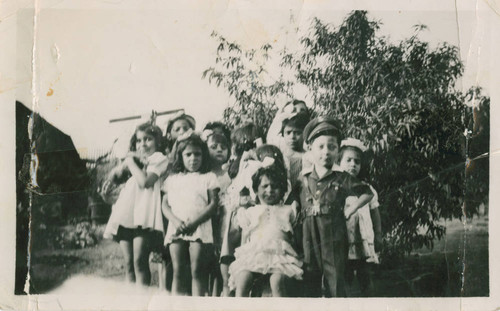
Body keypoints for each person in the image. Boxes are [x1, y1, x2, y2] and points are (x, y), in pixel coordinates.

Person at [298, 117, 374, 297]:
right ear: (310, 148)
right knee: (311, 277)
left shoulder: (342, 178)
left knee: (335, 278)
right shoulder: (303, 179)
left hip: (334, 235)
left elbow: (367, 193)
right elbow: (292, 199)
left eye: (332, 147)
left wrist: (351, 208)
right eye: (321, 146)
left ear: (338, 150)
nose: (326, 152)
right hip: (309, 234)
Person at [103, 122, 168, 286]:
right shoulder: (135, 161)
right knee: (129, 264)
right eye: (139, 141)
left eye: (148, 139)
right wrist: (121, 168)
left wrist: (130, 162)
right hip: (126, 214)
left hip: (144, 216)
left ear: (158, 142)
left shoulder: (158, 159)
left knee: (140, 262)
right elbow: (114, 176)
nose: (143, 144)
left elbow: (145, 182)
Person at [228, 161, 303, 297]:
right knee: (243, 277)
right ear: (256, 190)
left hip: (280, 256)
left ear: (283, 190)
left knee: (277, 281)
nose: (269, 190)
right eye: (265, 186)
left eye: (275, 186)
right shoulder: (250, 212)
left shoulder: (288, 210)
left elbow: (295, 237)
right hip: (254, 254)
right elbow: (245, 238)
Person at [161, 131, 220, 296]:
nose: (193, 158)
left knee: (197, 271)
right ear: (180, 156)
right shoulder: (172, 179)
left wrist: (194, 222)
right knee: (178, 270)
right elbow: (165, 204)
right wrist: (175, 221)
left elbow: (213, 204)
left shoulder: (208, 177)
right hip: (176, 228)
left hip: (199, 228)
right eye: (188, 154)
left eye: (197, 154)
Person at [337, 138, 382, 297]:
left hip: (363, 238)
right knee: (345, 274)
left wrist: (378, 235)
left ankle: (368, 302)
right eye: (348, 160)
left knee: (365, 274)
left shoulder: (367, 188)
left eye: (357, 161)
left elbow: (375, 214)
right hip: (345, 241)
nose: (352, 164)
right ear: (339, 162)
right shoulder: (337, 187)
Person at [201, 127, 232, 296]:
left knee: (221, 261)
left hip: (224, 222)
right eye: (214, 147)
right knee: (207, 263)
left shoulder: (230, 173)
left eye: (224, 146)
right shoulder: (204, 174)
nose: (219, 149)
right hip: (208, 220)